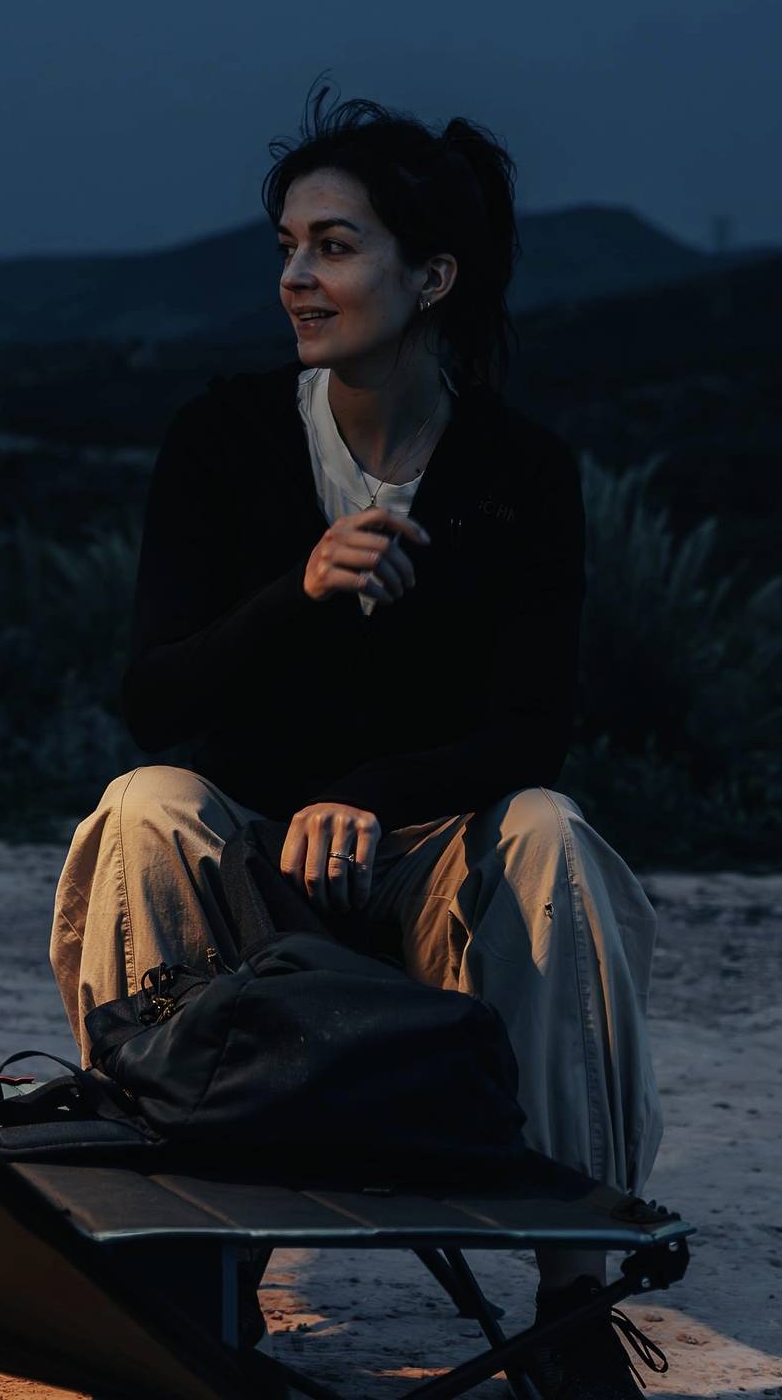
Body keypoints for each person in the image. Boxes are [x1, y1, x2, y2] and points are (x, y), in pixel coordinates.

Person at [48, 82, 667, 1398]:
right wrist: (300, 587)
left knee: (553, 833)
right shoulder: (225, 441)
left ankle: (572, 1300)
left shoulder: (519, 472)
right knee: (145, 803)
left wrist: (375, 795)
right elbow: (157, 695)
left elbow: (532, 731)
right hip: (251, 868)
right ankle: (184, 1277)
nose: (295, 278)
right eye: (288, 246)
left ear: (431, 275)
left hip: (430, 861)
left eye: (333, 246)